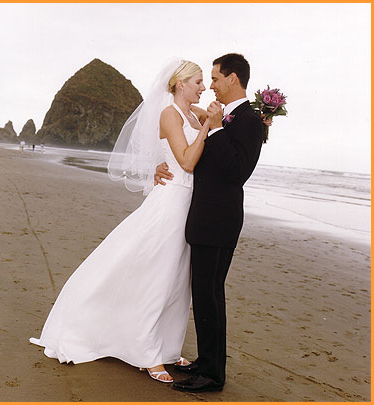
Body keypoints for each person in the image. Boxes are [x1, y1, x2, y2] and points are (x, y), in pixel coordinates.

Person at [30, 58, 211, 383]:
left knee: (176, 280)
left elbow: (218, 129)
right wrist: (208, 128)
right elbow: (184, 161)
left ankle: (168, 348)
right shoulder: (169, 114)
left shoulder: (193, 114)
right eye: (198, 81)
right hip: (171, 203)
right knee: (158, 276)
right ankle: (147, 353)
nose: (204, 87)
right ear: (181, 84)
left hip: (189, 205)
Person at [155, 53, 265, 393]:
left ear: (233, 79)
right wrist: (157, 167)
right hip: (204, 215)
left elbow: (236, 172)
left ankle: (214, 374)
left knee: (210, 295)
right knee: (203, 295)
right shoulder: (228, 116)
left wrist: (216, 128)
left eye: (215, 78)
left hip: (218, 219)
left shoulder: (248, 120)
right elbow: (187, 148)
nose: (211, 85)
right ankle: (206, 361)